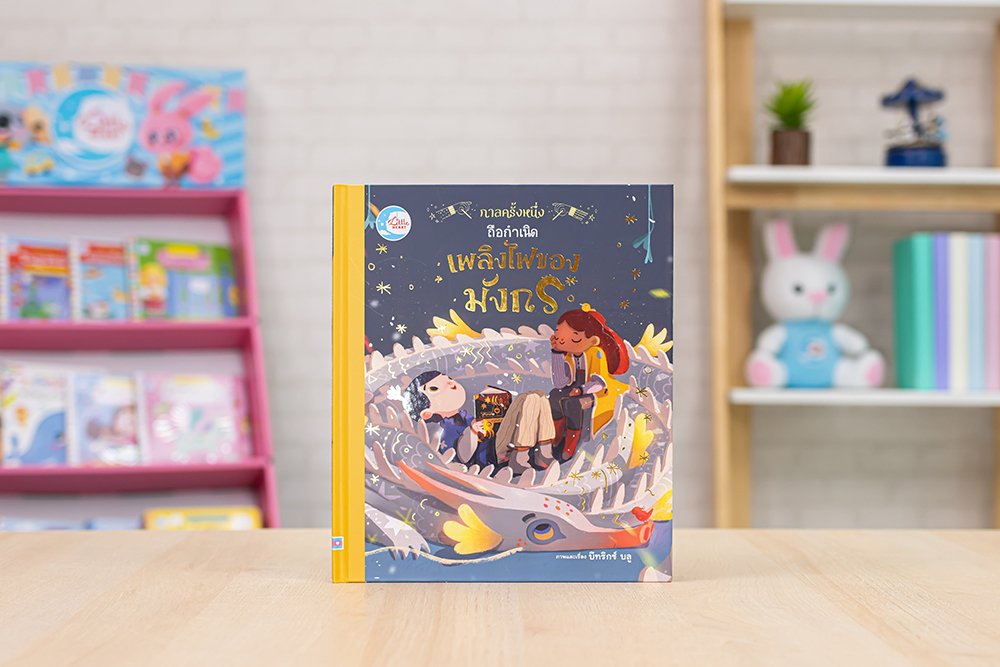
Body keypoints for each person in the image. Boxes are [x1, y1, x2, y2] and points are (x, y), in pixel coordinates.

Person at [548, 304, 630, 460]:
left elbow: (600, 383)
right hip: (575, 388)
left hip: (597, 392)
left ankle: (572, 440)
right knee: (554, 395)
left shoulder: (597, 354)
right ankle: (557, 433)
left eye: (575, 337)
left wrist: (582, 390)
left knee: (574, 403)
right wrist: (556, 353)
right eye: (558, 334)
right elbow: (559, 383)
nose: (561, 340)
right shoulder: (569, 356)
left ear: (592, 340)